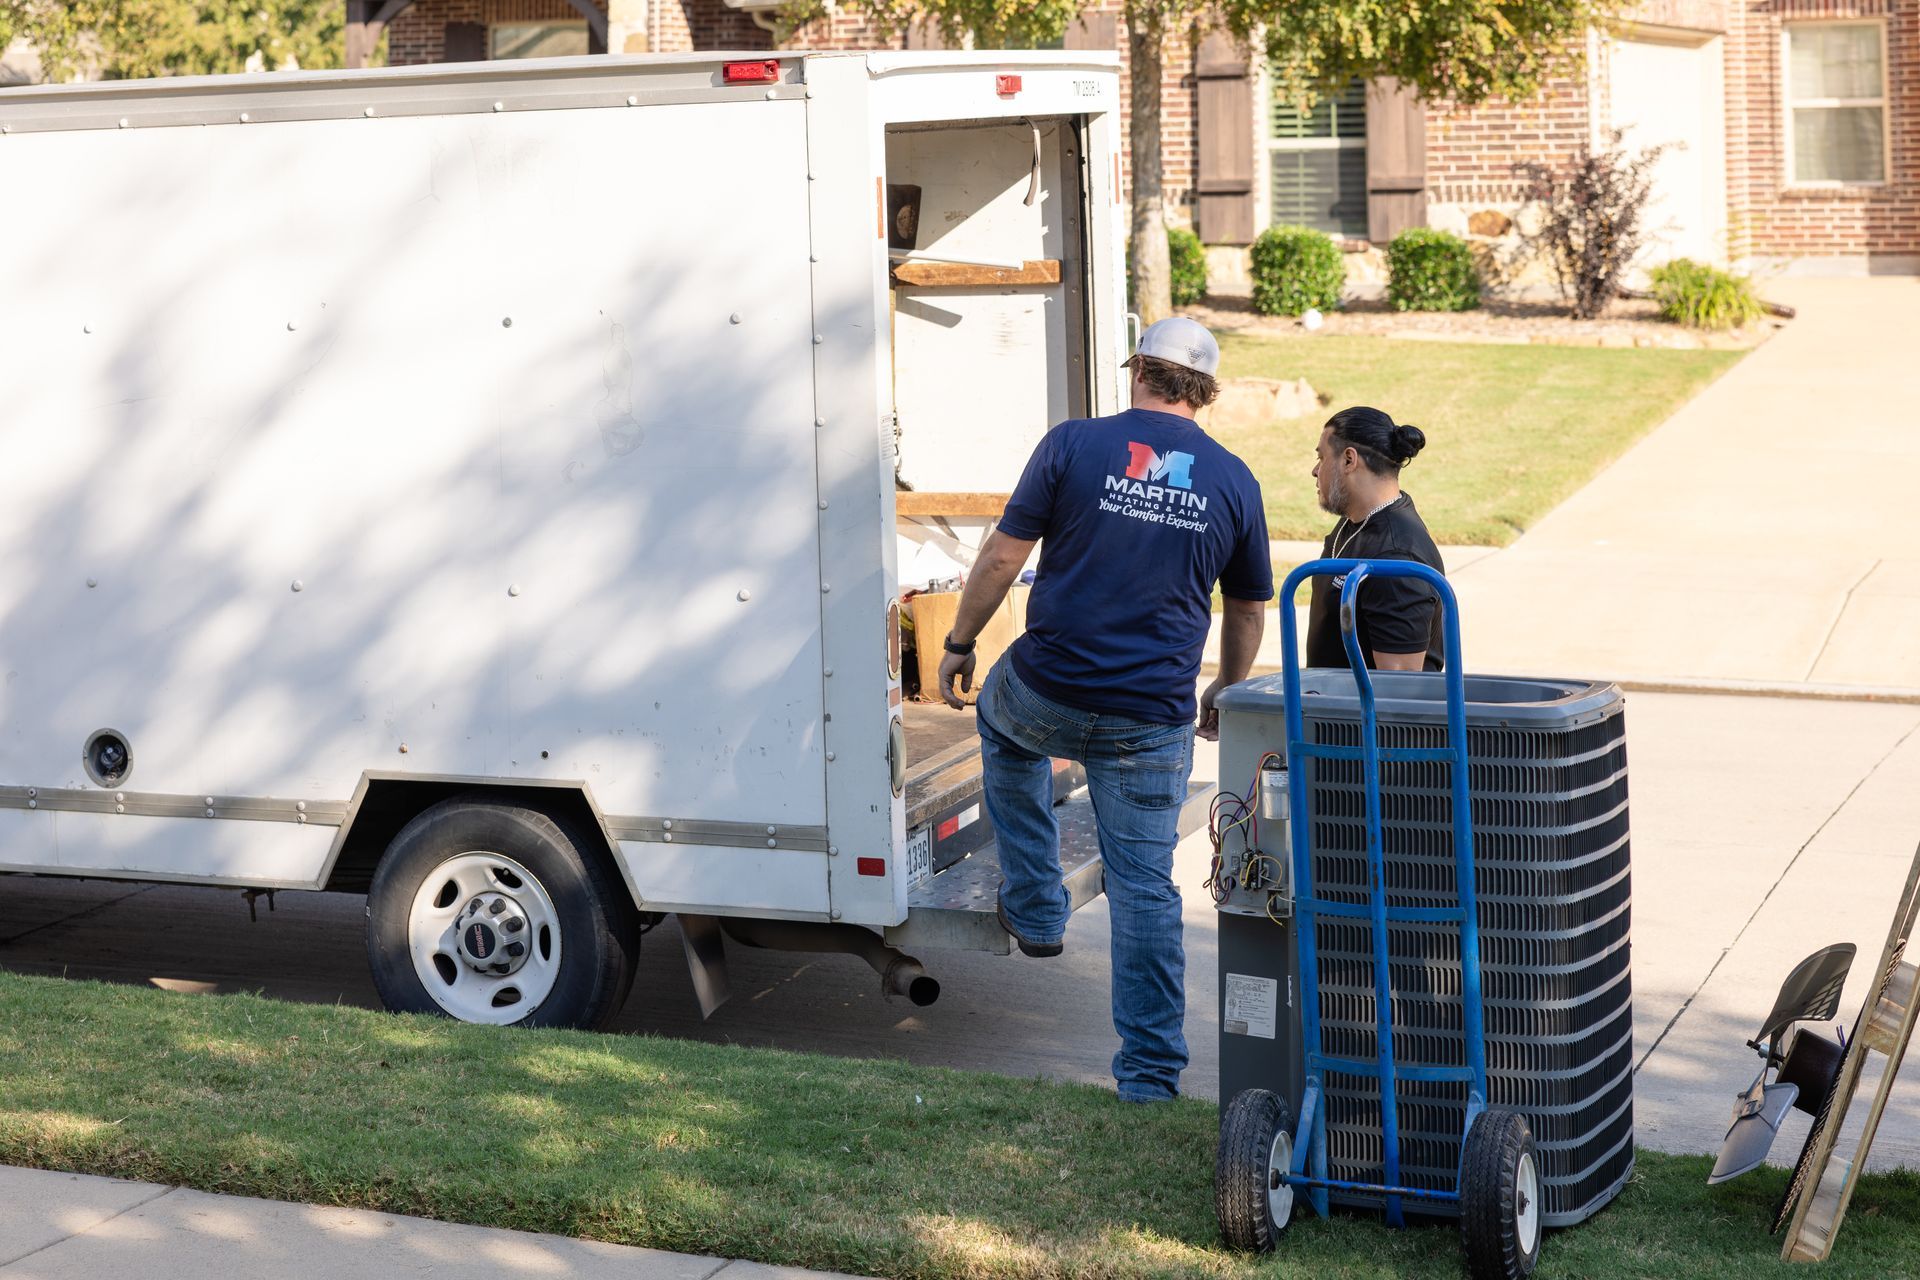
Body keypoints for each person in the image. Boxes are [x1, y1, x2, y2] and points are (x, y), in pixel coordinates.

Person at [934, 317, 1272, 1104]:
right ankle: (1150, 1078)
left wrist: (958, 641)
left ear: (1139, 372)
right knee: (1145, 888)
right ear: (1205, 392)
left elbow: (1000, 557)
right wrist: (1223, 685)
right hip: (1151, 715)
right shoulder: (1232, 479)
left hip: (1047, 691)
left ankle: (1037, 906)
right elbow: (1248, 608)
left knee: (999, 722)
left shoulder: (1072, 444)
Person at [1306, 406, 1446, 672]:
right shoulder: (1355, 522)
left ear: (1349, 460)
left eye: (1322, 458)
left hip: (1360, 715)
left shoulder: (1396, 559)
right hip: (1331, 709)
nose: (1315, 470)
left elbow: (1398, 691)